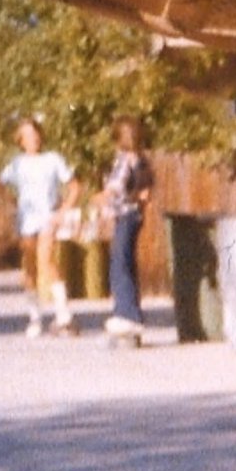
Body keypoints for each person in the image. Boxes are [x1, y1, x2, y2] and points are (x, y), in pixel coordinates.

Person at [0, 117, 81, 337]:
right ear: (20, 140)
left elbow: (74, 187)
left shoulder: (52, 159)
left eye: (35, 134)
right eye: (27, 135)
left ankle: (63, 315)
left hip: (47, 218)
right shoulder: (16, 163)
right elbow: (1, 184)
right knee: (29, 267)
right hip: (26, 220)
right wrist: (12, 203)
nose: (32, 139)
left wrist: (62, 212)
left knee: (46, 261)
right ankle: (35, 317)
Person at [95, 115, 154, 339]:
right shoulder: (141, 160)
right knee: (127, 262)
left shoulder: (123, 159)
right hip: (135, 214)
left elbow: (116, 186)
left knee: (119, 263)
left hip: (125, 213)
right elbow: (146, 188)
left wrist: (99, 197)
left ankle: (126, 314)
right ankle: (133, 313)